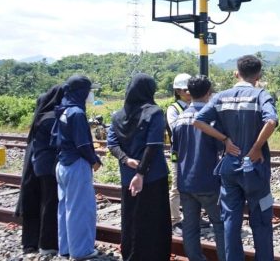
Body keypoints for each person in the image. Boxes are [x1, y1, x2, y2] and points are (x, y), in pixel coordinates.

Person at [193, 55, 278, 261]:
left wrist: (225, 140)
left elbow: (198, 121)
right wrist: (257, 147)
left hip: (230, 167)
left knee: (231, 220)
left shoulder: (221, 97)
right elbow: (271, 121)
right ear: (258, 75)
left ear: (236, 73)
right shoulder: (260, 95)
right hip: (255, 169)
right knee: (262, 220)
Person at [108, 74, 171, 261]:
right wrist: (141, 174)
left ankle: (131, 255)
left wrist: (126, 160)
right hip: (152, 177)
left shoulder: (117, 115)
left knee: (131, 218)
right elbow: (153, 145)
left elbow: (112, 144)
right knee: (154, 219)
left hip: (128, 177)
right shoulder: (154, 112)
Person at [172, 75, 225, 261]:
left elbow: (175, 152)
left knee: (190, 225)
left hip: (186, 181)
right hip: (208, 180)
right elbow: (221, 147)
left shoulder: (179, 119)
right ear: (209, 93)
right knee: (220, 223)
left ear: (189, 93)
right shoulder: (211, 119)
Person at [53, 75, 101, 260]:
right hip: (76, 165)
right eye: (89, 90)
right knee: (80, 209)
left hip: (63, 164)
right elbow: (82, 144)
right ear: (81, 91)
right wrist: (94, 161)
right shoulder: (77, 113)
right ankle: (81, 251)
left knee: (65, 208)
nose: (91, 94)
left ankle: (65, 248)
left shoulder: (64, 110)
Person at [16, 84, 64, 255]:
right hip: (46, 166)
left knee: (33, 201)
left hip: (34, 165)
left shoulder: (40, 116)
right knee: (48, 202)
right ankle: (47, 242)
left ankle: (30, 242)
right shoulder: (51, 119)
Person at [168, 73, 192, 233]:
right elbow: (175, 129)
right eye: (186, 90)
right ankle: (175, 220)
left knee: (193, 185)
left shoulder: (196, 105)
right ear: (178, 91)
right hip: (179, 152)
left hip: (194, 152)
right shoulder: (173, 109)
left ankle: (192, 216)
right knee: (177, 186)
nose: (189, 92)